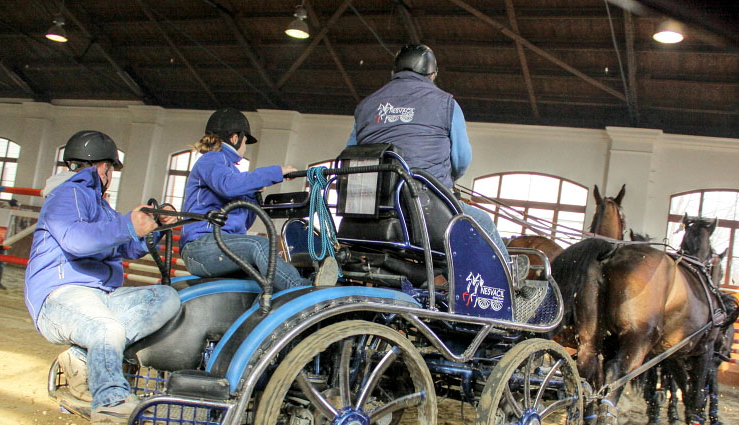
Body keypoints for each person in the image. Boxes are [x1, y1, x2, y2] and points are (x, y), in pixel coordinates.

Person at [24, 130, 181, 425]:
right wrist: (126, 224)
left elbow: (128, 246)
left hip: (99, 295)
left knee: (165, 298)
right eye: (111, 169)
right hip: (61, 295)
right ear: (103, 167)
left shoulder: (98, 203)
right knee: (105, 327)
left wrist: (156, 226)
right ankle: (111, 401)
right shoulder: (67, 195)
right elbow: (78, 242)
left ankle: (81, 356)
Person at [347, 44, 510, 262]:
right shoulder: (446, 104)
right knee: (483, 220)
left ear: (394, 72)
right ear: (432, 75)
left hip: (365, 211)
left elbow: (350, 154)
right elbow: (462, 159)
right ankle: (511, 286)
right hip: (424, 211)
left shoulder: (365, 106)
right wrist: (447, 179)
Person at [180, 108, 337, 290]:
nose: (245, 146)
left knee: (266, 271)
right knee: (260, 244)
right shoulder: (213, 159)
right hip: (201, 247)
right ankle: (301, 290)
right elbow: (228, 185)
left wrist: (253, 193)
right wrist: (275, 172)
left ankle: (300, 287)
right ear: (235, 138)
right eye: (245, 141)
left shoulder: (230, 170)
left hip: (219, 245)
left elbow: (244, 222)